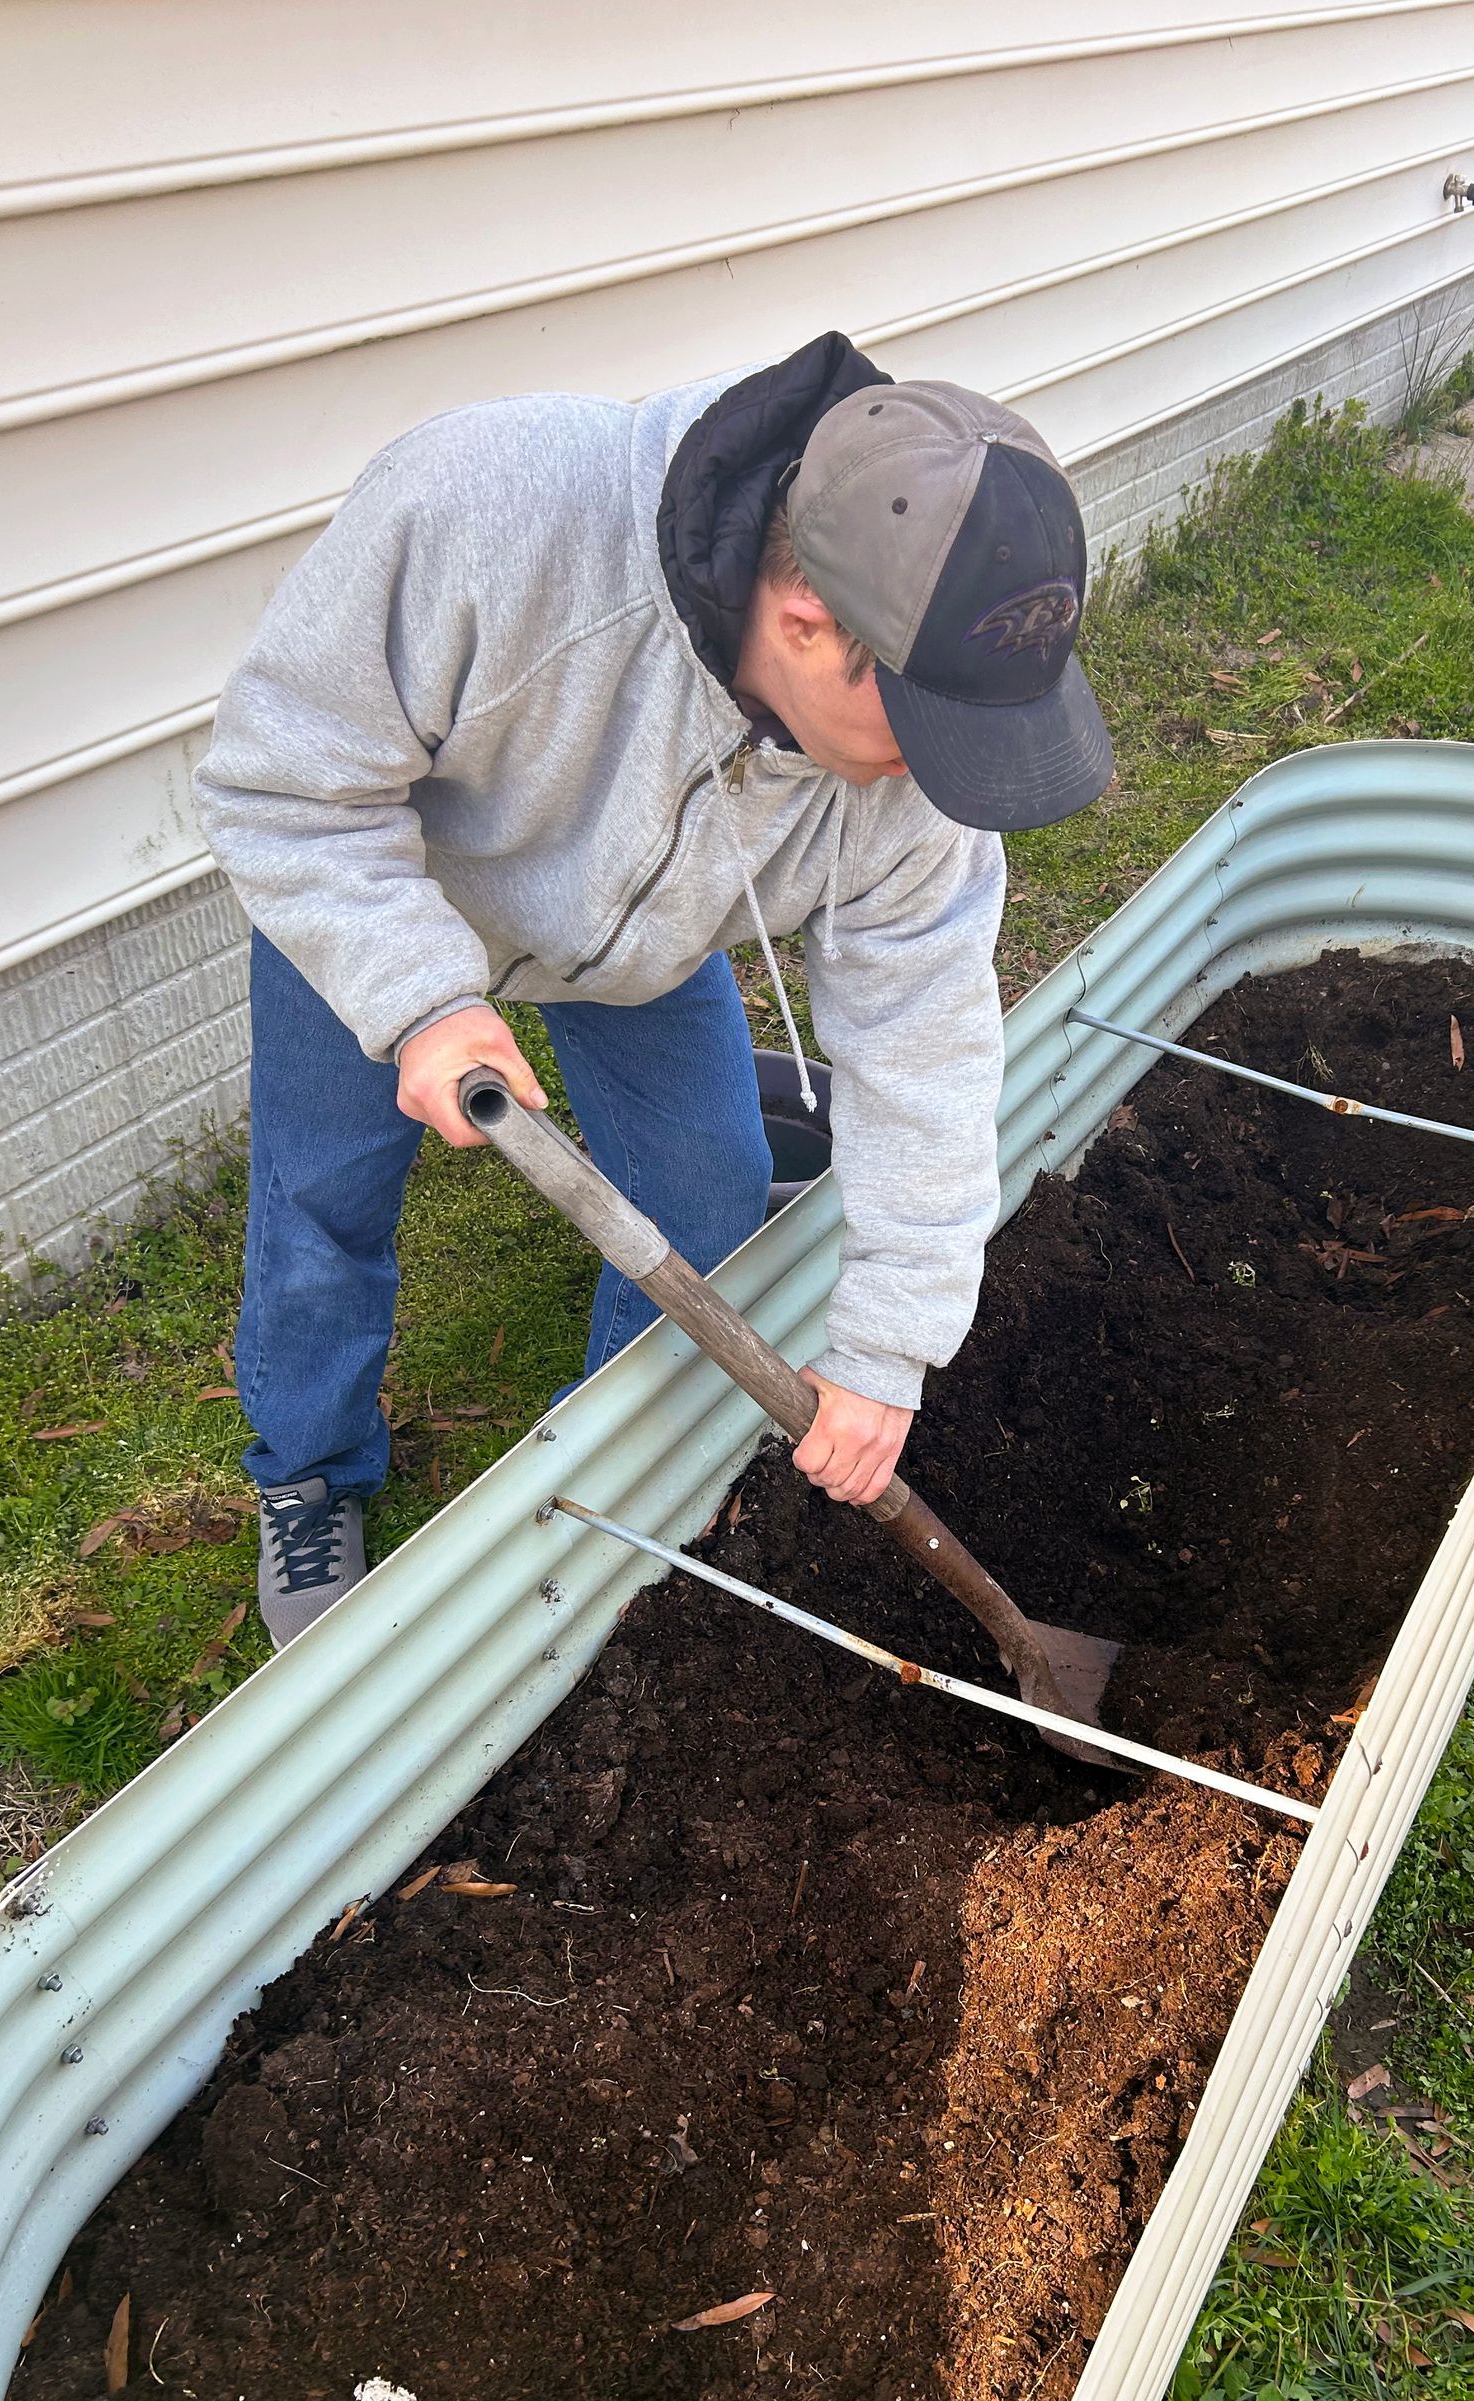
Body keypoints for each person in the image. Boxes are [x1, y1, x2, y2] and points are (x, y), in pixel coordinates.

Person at [195, 332, 1113, 1647]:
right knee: (320, 1207)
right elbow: (281, 782)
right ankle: (307, 1472)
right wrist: (421, 998)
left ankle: (601, 1468)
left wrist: (886, 1348)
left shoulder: (920, 788)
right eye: (926, 736)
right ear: (807, 624)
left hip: (637, 948)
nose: (938, 781)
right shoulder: (487, 516)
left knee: (706, 1189)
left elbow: (928, 1050)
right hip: (390, 894)